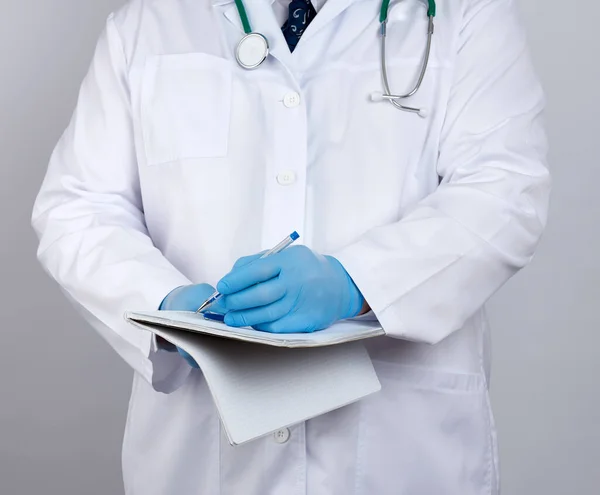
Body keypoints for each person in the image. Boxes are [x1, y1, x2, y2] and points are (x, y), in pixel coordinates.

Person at [31, 0, 550, 492]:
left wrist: (358, 282)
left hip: (401, 452)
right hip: (200, 456)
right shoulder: (151, 21)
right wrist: (168, 308)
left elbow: (506, 189)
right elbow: (78, 205)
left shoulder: (465, 14)